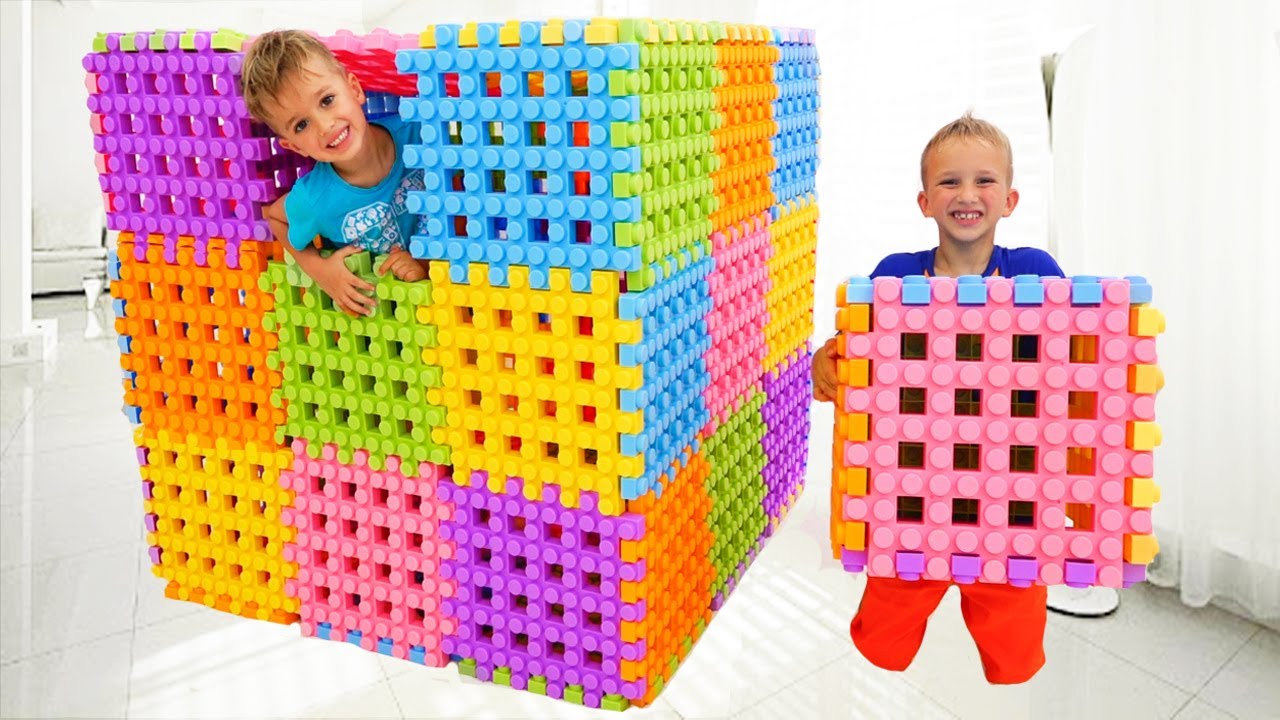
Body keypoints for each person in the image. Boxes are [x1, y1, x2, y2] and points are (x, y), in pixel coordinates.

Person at [813, 112, 1068, 683]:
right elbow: (856, 355)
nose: (967, 194)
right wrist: (826, 362)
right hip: (914, 485)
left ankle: (1009, 674)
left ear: (1010, 199)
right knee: (888, 621)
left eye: (984, 181)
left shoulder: (1034, 271)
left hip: (1008, 492)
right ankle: (881, 667)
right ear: (925, 201)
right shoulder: (896, 278)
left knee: (1014, 632)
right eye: (949, 182)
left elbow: (1071, 358)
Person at [241, 30, 428, 317]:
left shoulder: (418, 134)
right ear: (294, 147)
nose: (325, 125)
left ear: (354, 89)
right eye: (302, 125)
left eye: (327, 100)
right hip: (381, 318)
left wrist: (423, 262)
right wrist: (321, 271)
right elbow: (275, 216)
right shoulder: (315, 197)